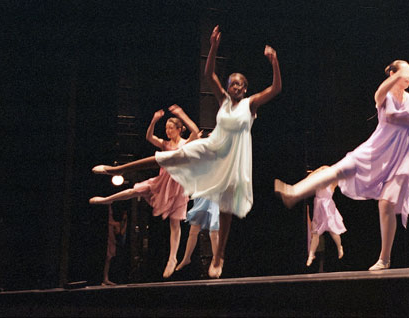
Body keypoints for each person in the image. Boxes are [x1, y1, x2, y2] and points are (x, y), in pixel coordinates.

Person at [92, 26, 282, 277]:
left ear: (245, 88)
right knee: (169, 156)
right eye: (232, 83)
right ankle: (116, 168)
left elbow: (276, 88)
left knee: (226, 204)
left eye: (239, 84)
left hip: (234, 159)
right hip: (213, 147)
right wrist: (213, 46)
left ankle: (219, 255)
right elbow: (209, 74)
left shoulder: (251, 104)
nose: (235, 87)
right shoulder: (224, 101)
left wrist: (275, 62)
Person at [275, 60, 409, 271]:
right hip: (374, 151)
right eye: (404, 70)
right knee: (337, 170)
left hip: (399, 160)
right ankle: (293, 192)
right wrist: (397, 77)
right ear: (392, 73)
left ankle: (385, 258)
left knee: (386, 204)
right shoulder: (385, 95)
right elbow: (379, 92)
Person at [90, 105, 199, 277]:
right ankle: (108, 199)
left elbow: (194, 130)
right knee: (136, 190)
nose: (168, 131)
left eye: (171, 128)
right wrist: (154, 120)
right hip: (162, 181)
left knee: (174, 223)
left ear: (179, 129)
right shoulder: (165, 144)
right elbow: (149, 137)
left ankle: (172, 258)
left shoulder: (186, 143)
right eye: (166, 128)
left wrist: (181, 114)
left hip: (178, 185)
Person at [304, 166, 346, 267]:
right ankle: (311, 255)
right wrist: (319, 170)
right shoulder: (318, 184)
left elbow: (339, 177)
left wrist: (329, 170)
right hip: (319, 209)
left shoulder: (332, 185)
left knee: (333, 231)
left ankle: (339, 247)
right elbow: (308, 179)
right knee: (316, 234)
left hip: (328, 208)